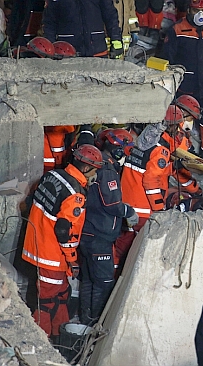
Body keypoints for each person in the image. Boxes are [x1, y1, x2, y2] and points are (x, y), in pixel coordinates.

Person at [22, 144, 103, 337]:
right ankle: (41, 339)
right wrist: (72, 259)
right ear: (86, 167)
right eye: (95, 170)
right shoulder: (76, 194)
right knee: (48, 300)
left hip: (35, 244)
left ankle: (61, 333)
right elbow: (63, 230)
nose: (95, 174)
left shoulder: (54, 175)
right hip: (51, 255)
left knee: (62, 293)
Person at [79, 129, 139, 325]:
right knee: (103, 283)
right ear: (118, 151)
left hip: (87, 232)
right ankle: (96, 323)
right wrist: (129, 211)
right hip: (100, 237)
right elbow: (112, 204)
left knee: (88, 280)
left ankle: (84, 319)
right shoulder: (107, 171)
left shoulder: (96, 164)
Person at [162, 0, 203, 163]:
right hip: (185, 88)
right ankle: (182, 155)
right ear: (189, 10)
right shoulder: (176, 30)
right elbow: (166, 59)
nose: (199, 14)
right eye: (195, 10)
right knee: (182, 124)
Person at [116, 121, 173, 271]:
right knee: (139, 254)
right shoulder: (160, 150)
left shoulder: (138, 142)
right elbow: (151, 181)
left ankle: (114, 279)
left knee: (121, 248)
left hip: (126, 206)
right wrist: (159, 209)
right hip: (143, 211)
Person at [42, 0, 123, 58]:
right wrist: (50, 48)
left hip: (97, 51)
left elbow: (110, 16)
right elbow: (49, 23)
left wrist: (116, 39)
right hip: (67, 53)